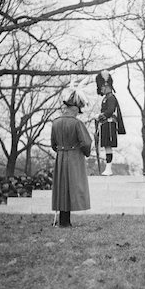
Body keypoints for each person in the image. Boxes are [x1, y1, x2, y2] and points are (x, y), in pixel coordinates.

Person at [51, 87, 92, 228]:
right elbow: (86, 143)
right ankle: (65, 221)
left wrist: (61, 150)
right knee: (72, 188)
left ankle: (64, 220)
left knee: (62, 188)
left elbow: (53, 144)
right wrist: (85, 152)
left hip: (60, 157)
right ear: (74, 109)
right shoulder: (77, 123)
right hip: (74, 158)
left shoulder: (55, 122)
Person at [97, 79, 125, 176]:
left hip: (109, 124)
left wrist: (100, 115)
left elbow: (110, 111)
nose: (101, 89)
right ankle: (107, 167)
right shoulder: (106, 98)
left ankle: (109, 168)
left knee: (108, 145)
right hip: (105, 124)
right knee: (106, 146)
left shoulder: (111, 98)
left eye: (103, 87)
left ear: (108, 87)